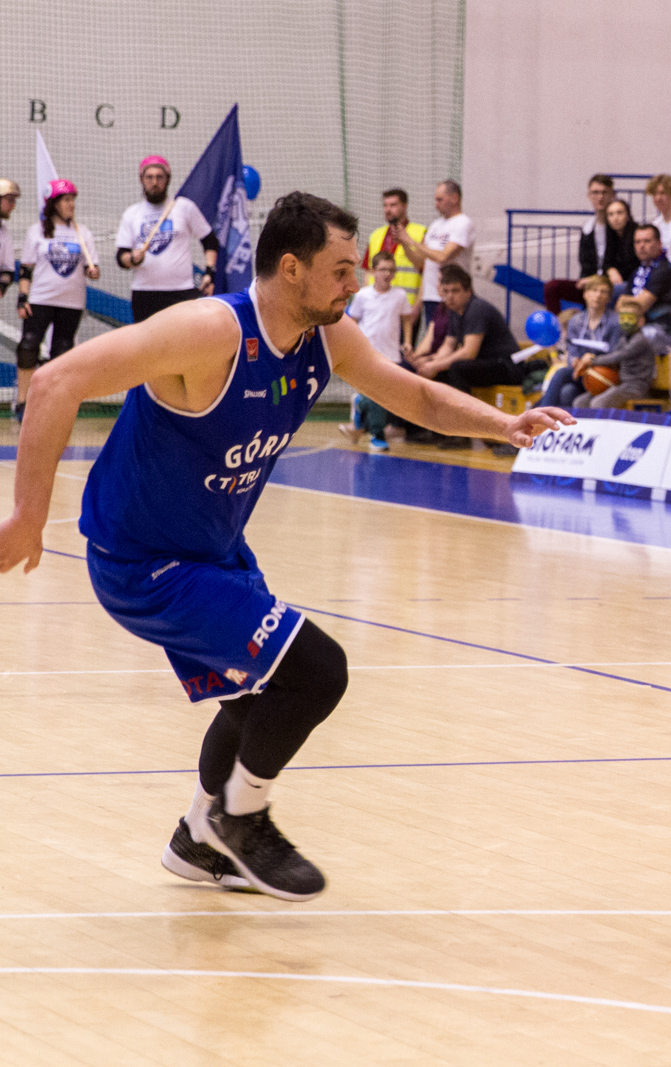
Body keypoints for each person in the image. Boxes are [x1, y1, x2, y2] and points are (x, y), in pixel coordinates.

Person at [0, 191, 575, 901]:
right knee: (315, 670)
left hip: (214, 551)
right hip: (143, 561)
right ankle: (241, 819)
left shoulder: (327, 338)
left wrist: (505, 425)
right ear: (293, 269)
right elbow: (58, 379)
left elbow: (417, 398)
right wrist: (29, 516)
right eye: (342, 269)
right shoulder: (210, 330)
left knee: (257, 698)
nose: (357, 282)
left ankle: (196, 840)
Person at [409, 265, 526, 446]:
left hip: (508, 367)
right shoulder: (455, 311)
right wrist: (427, 362)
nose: (449, 296)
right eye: (446, 291)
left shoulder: (477, 308)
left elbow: (469, 352)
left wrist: (436, 365)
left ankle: (462, 435)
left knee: (457, 369)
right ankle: (440, 430)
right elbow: (448, 346)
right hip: (488, 364)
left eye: (455, 291)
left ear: (468, 290)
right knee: (440, 372)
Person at [15, 179, 100, 423]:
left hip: (71, 302)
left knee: (61, 354)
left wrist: (93, 272)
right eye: (66, 200)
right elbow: (27, 269)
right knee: (28, 346)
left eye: (73, 199)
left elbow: (91, 268)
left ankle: (51, 403)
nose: (71, 204)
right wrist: (23, 298)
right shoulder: (37, 231)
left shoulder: (83, 233)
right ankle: (23, 400)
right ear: (54, 204)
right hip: (41, 298)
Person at [116, 156, 218, 322]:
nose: (154, 182)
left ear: (167, 179)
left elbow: (210, 240)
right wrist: (133, 259)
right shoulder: (132, 213)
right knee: (148, 346)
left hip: (181, 291)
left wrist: (209, 272)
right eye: (149, 177)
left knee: (183, 344)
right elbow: (121, 256)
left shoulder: (184, 207)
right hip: (145, 293)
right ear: (141, 179)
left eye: (159, 177)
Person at [338, 252, 416, 451]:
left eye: (391, 270)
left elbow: (406, 319)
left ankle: (360, 403)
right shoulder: (363, 295)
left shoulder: (399, 295)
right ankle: (377, 436)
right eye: (382, 269)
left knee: (387, 396)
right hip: (366, 353)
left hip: (391, 354)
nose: (387, 274)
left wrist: (407, 342)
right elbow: (351, 321)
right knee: (378, 394)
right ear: (373, 271)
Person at [390, 180, 474, 329]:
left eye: (439, 199)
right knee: (433, 341)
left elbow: (443, 256)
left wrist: (412, 241)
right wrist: (404, 242)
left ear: (454, 198)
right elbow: (420, 262)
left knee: (448, 341)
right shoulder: (436, 225)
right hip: (430, 296)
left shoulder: (463, 223)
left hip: (450, 298)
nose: (436, 204)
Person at [569, 297, 665, 411]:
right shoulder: (623, 339)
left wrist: (593, 360)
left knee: (598, 403)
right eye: (622, 318)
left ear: (641, 321)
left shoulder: (640, 341)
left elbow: (619, 356)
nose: (625, 322)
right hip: (620, 384)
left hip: (635, 387)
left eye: (630, 319)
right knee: (580, 402)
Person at [540, 276, 621, 410]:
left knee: (561, 374)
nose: (598, 295)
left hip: (604, 373)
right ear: (585, 294)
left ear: (609, 298)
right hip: (581, 372)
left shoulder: (615, 322)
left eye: (603, 292)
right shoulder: (575, 321)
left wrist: (593, 360)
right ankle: (562, 427)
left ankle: (539, 416)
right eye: (594, 290)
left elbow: (616, 356)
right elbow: (572, 351)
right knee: (568, 391)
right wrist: (575, 360)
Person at [360, 188, 426, 345]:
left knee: (402, 354)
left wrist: (418, 305)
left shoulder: (419, 233)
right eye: (385, 205)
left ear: (405, 206)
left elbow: (426, 272)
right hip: (378, 309)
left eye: (393, 205)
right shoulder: (376, 235)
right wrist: (366, 302)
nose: (388, 209)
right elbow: (368, 272)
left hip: (406, 309)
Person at [624, 224, 671, 330]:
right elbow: (621, 305)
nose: (641, 246)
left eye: (647, 241)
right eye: (637, 242)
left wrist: (628, 304)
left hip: (662, 329)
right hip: (637, 325)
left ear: (659, 244)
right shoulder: (638, 270)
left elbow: (639, 306)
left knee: (634, 341)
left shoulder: (665, 269)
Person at [597, 199, 640, 288]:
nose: (615, 218)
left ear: (628, 215)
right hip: (618, 281)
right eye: (611, 214)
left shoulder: (637, 233)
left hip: (635, 281)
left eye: (619, 213)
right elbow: (606, 262)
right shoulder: (610, 234)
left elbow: (633, 265)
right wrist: (611, 270)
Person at [0, 178, 18, 297]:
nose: (13, 205)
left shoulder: (4, 232)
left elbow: (8, 270)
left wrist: (2, 285)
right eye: (10, 200)